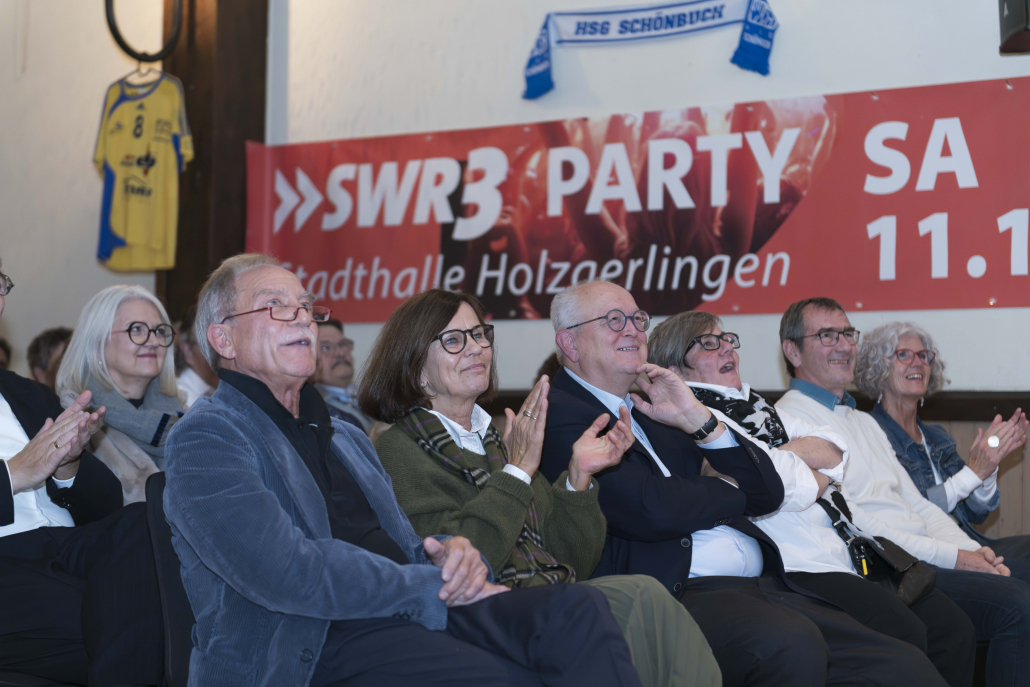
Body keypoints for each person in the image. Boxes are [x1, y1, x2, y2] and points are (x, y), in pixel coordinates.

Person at [164, 253, 644, 687]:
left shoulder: (346, 436)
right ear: (223, 338)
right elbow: (287, 572)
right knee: (509, 675)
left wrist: (454, 553)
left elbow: (409, 547)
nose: (304, 318)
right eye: (276, 306)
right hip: (306, 642)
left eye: (306, 307)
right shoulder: (207, 437)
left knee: (574, 610)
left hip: (404, 612)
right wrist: (426, 585)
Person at [538, 279, 947, 687]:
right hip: (674, 591)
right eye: (613, 320)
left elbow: (766, 492)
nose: (631, 330)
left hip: (760, 581)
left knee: (903, 662)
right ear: (570, 343)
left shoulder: (657, 404)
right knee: (793, 645)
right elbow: (652, 508)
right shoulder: (557, 412)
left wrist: (700, 421)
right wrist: (733, 488)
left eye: (636, 318)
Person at [363, 289, 722, 687]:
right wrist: (516, 472)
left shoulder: (495, 439)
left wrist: (578, 477)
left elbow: (570, 561)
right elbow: (457, 565)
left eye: (479, 334)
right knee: (641, 595)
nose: (476, 348)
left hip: (546, 594)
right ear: (416, 367)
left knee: (651, 601)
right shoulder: (398, 450)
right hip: (475, 611)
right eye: (453, 340)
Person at [649, 310, 976, 687]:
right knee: (908, 637)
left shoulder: (758, 406)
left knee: (951, 629)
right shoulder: (694, 421)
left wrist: (771, 466)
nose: (727, 349)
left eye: (727, 340)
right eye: (709, 344)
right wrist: (801, 473)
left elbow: (834, 451)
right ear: (674, 369)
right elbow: (766, 490)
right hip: (798, 564)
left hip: (846, 550)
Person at [775, 296, 1030, 687]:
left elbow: (919, 506)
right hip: (885, 567)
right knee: (1015, 604)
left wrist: (972, 551)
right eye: (827, 335)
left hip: (920, 556)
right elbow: (854, 520)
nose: (844, 345)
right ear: (792, 351)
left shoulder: (861, 420)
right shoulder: (789, 419)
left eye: (847, 334)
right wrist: (957, 557)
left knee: (1001, 601)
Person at [0, 258, 163, 686]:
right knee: (145, 619)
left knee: (142, 521)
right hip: (8, 562)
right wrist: (14, 474)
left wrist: (68, 465)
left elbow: (108, 505)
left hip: (71, 548)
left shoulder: (28, 394)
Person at [857, 322, 1030, 559]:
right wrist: (974, 473)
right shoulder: (868, 432)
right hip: (924, 559)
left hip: (970, 546)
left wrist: (989, 468)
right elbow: (909, 514)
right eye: (904, 354)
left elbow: (975, 512)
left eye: (923, 356)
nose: (918, 362)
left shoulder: (936, 437)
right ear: (878, 368)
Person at [56, 285, 185, 503]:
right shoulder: (75, 424)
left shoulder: (185, 414)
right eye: (137, 329)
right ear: (97, 343)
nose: (154, 342)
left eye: (159, 331)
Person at [313, 319, 374, 434]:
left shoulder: (369, 393)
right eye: (326, 347)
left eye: (342, 344)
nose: (340, 353)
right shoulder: (316, 409)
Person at [174, 305, 219, 407]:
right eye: (211, 345)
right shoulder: (180, 398)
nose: (221, 353)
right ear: (188, 351)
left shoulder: (215, 390)